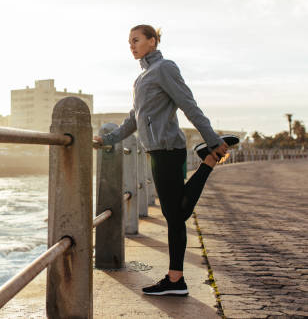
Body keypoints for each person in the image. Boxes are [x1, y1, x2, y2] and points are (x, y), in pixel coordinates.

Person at [93, 24, 230, 296]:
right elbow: (134, 118)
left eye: (136, 40)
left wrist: (213, 139)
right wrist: (109, 139)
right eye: (129, 41)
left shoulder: (165, 68)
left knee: (175, 214)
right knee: (176, 213)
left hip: (168, 149)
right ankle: (175, 279)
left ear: (153, 42)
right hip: (157, 150)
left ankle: (175, 280)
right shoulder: (142, 78)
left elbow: (188, 103)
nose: (131, 45)